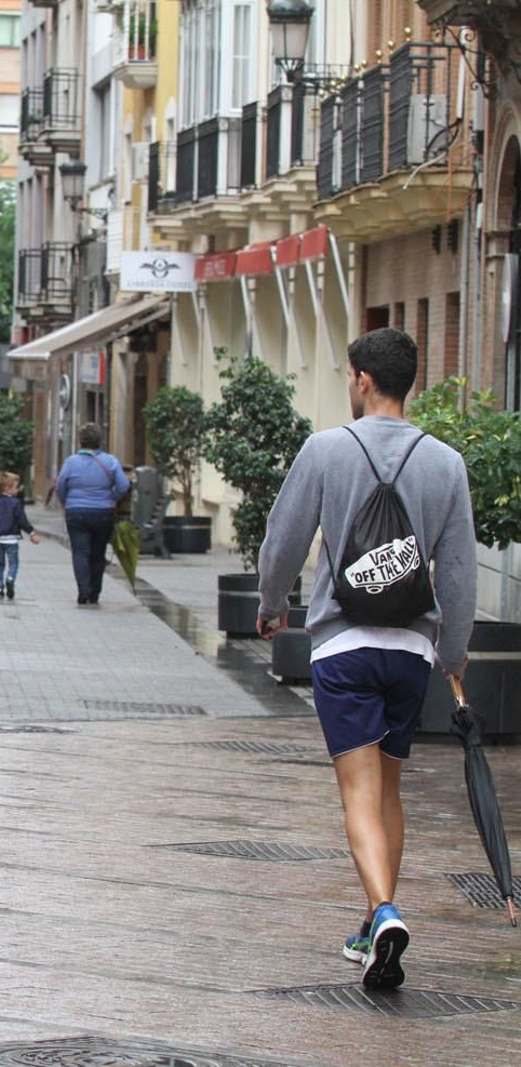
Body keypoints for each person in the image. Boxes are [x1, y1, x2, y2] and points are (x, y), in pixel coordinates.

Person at [256, 327, 475, 991]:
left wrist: (271, 602)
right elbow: (459, 570)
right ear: (410, 382)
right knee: (389, 789)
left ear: (359, 379)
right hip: (411, 650)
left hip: (345, 647)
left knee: (356, 789)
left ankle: (383, 909)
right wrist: (455, 652)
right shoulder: (446, 463)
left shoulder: (327, 449)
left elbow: (284, 536)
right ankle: (370, 924)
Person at [55, 423, 130, 605]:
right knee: (98, 553)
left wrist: (68, 503)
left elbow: (60, 486)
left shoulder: (71, 462)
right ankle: (94, 593)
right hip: (103, 513)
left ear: (81, 441)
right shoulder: (111, 461)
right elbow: (124, 486)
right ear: (100, 441)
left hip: (76, 512)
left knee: (80, 553)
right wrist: (112, 499)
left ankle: (83, 591)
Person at [0, 472, 39, 600]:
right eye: (16, 487)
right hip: (12, 538)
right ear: (7, 488)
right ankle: (10, 578)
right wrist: (32, 533)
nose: (18, 490)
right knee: (13, 562)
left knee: (0, 563)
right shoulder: (16, 503)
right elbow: (22, 521)